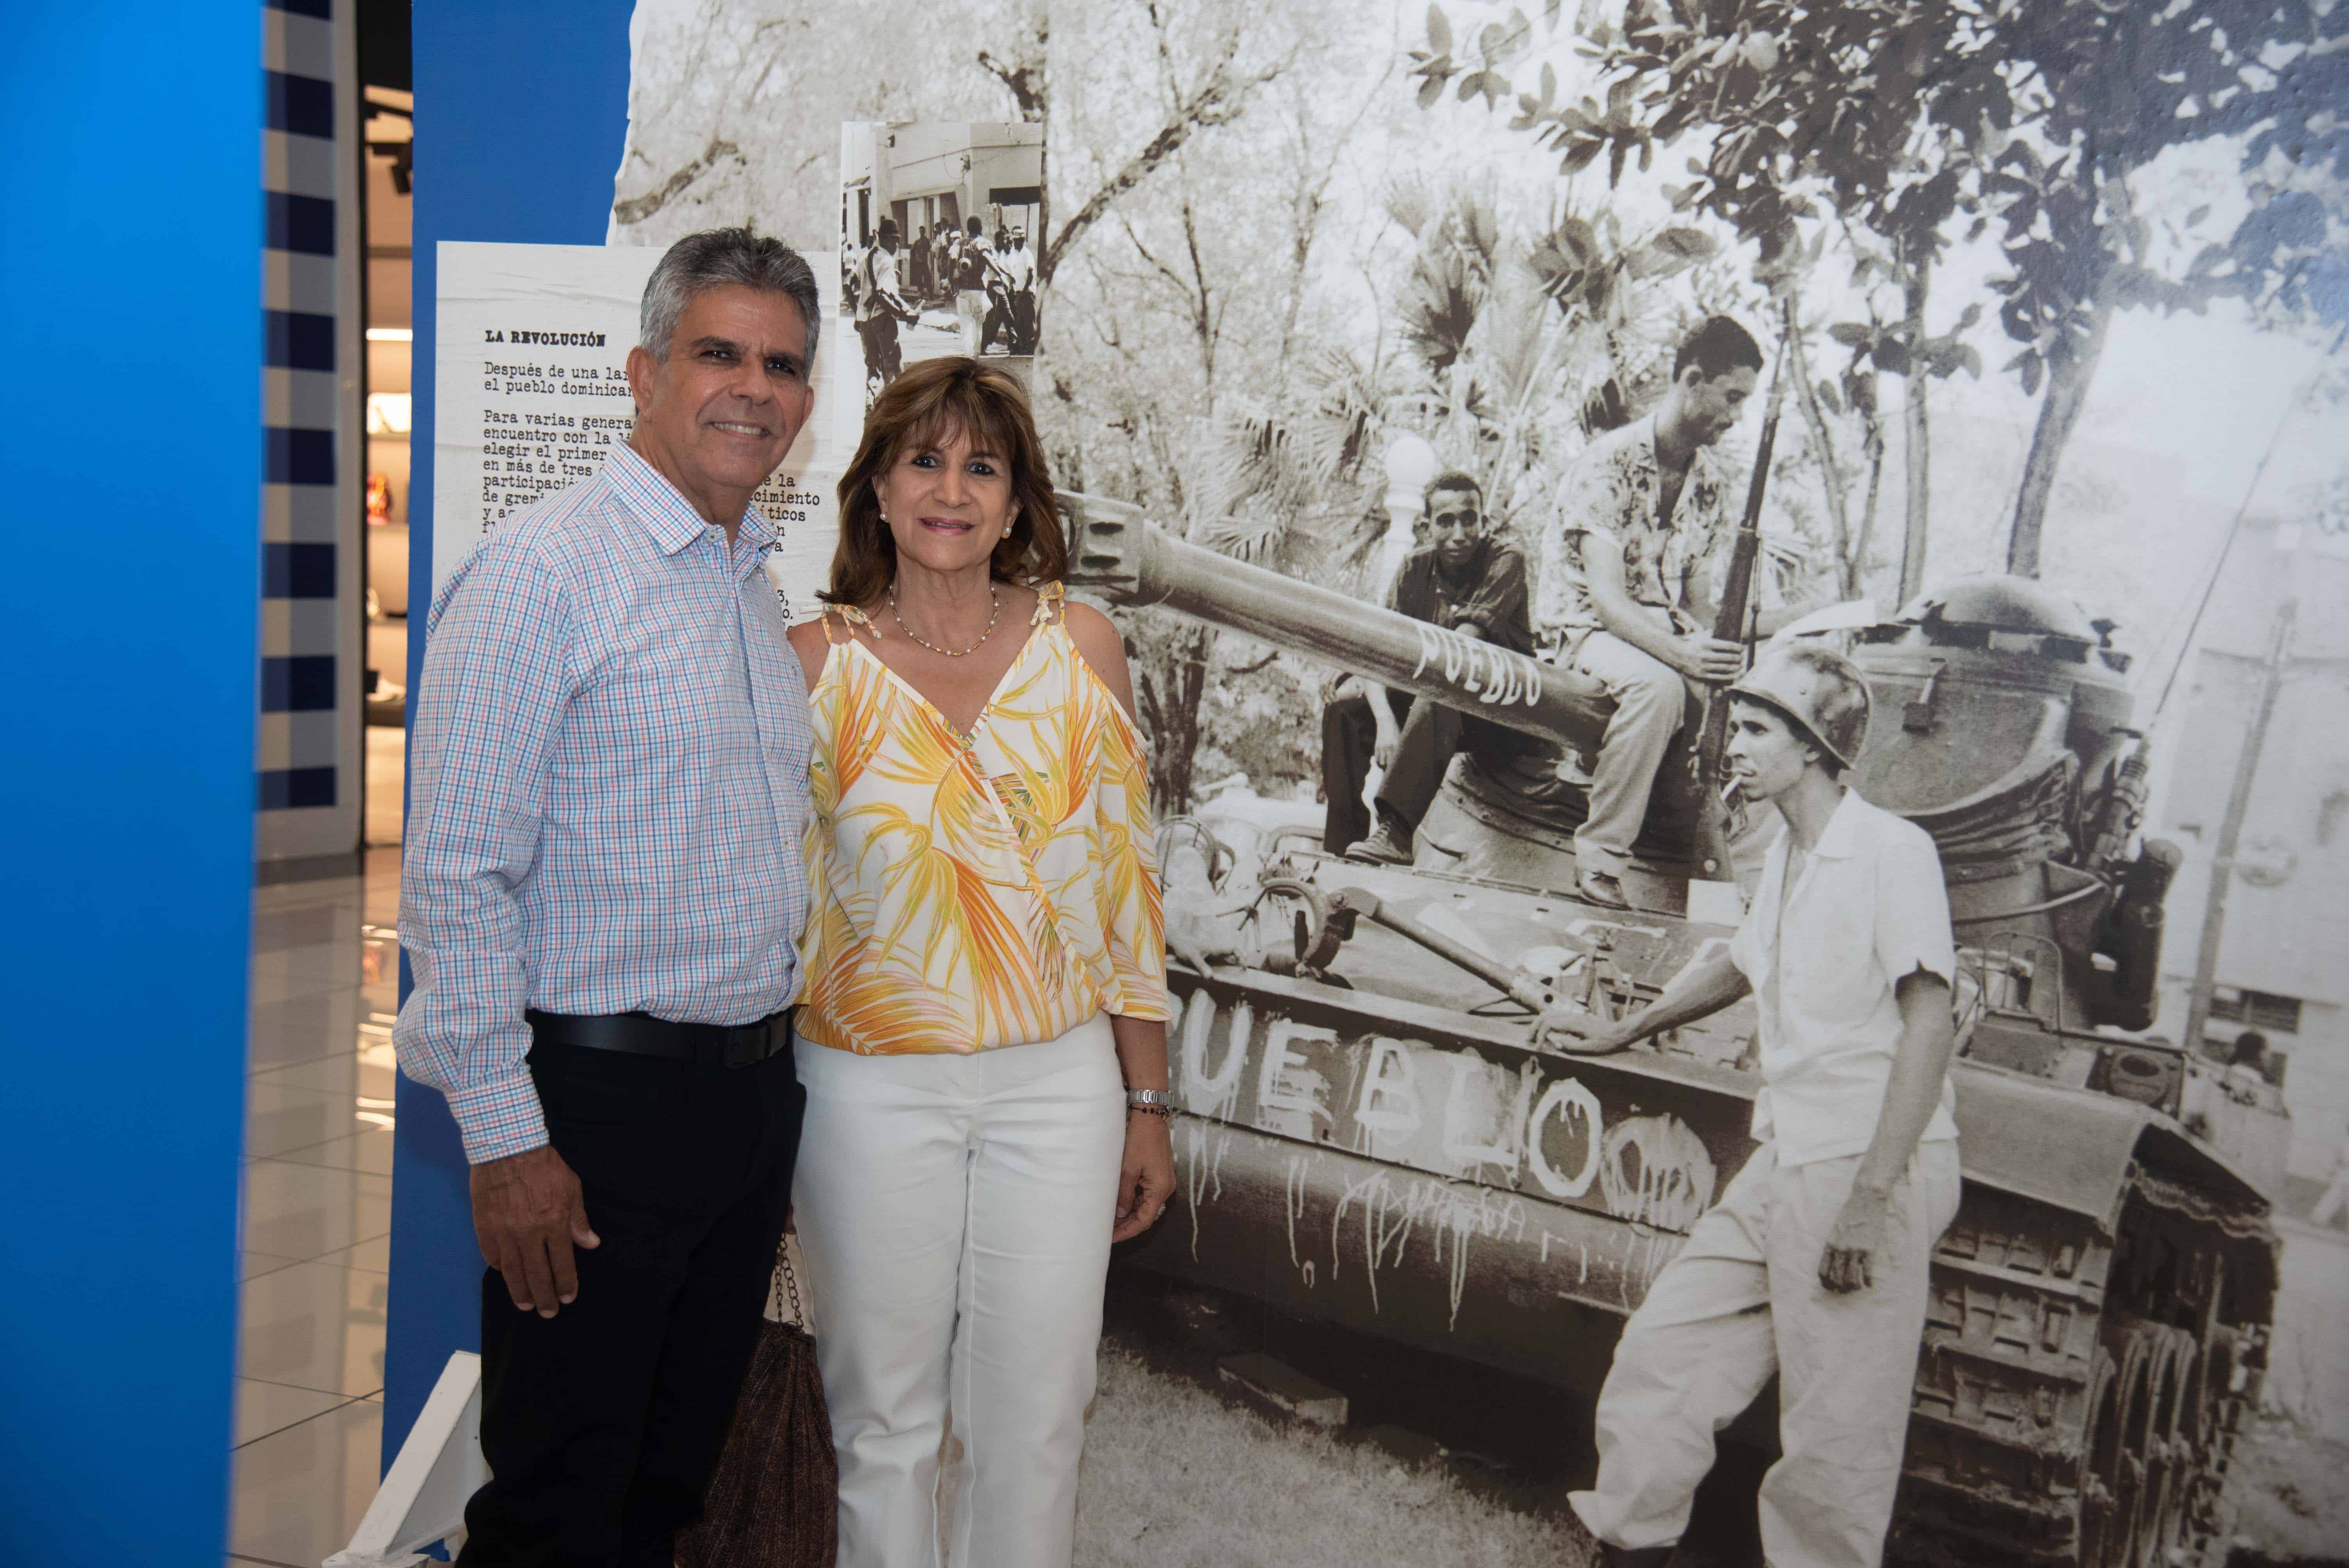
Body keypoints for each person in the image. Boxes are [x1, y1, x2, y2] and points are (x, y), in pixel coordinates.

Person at [396, 228, 822, 1565]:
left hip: (744, 1107)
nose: (750, 387)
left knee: (658, 1501)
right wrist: (506, 1139)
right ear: (642, 371)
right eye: (717, 352)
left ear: (805, 402)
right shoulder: (543, 575)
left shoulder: (751, 588)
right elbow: (456, 873)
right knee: (554, 1512)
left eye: (781, 364)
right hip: (591, 1122)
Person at [782, 355, 1176, 1567]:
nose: (950, 488)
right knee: (883, 1427)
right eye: (923, 460)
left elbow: (1126, 891)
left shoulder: (1085, 647)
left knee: (1037, 1420)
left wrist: (1145, 1102)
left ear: (1016, 505)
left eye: (981, 465)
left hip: (1058, 1088)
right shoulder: (808, 661)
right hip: (863, 1084)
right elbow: (762, 894)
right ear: (878, 494)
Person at [1542, 644, 1962, 1568]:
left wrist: (1873, 1193)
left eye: (1758, 727)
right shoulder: (1791, 856)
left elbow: (1929, 1019)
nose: (1735, 743)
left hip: (1864, 1160)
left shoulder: (1891, 850)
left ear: (1813, 748)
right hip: (1790, 1154)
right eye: (1737, 724)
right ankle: (1631, 1544)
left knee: (1835, 1429)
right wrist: (1628, 1029)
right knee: (1667, 1348)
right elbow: (1740, 960)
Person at [1537, 315, 1818, 909]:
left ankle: (1751, 874)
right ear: (1693, 380)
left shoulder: (1711, 485)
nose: (1738, 415)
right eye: (1733, 397)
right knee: (1659, 689)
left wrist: (1800, 620)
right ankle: (1600, 860)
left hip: (1663, 631)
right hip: (1583, 628)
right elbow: (1609, 603)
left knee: (1762, 710)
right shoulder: (1606, 464)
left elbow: (1699, 610)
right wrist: (1685, 656)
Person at [1324, 470, 1533, 862]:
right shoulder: (1414, 569)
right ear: (1427, 526)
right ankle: (1340, 848)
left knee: (1443, 688)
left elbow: (1461, 650)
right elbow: (1376, 654)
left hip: (1504, 718)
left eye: (1469, 518)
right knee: (1346, 714)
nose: (1459, 532)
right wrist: (1385, 721)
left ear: (1483, 521)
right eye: (1446, 520)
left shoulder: (1507, 560)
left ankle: (1397, 832)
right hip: (1438, 708)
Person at [856, 217, 915, 402]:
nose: (896, 244)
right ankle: (894, 413)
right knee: (893, 370)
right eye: (894, 239)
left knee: (873, 369)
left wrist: (857, 312)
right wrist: (902, 315)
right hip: (883, 319)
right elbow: (882, 293)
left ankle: (871, 408)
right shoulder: (887, 261)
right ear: (885, 239)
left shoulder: (865, 257)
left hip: (864, 320)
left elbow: (849, 285)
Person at [952, 215, 995, 358]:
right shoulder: (985, 243)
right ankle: (975, 357)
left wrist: (952, 279)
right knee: (978, 326)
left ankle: (969, 357)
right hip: (980, 292)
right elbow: (991, 261)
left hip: (964, 291)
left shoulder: (960, 243)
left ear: (968, 229)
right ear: (981, 229)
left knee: (966, 327)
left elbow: (952, 259)